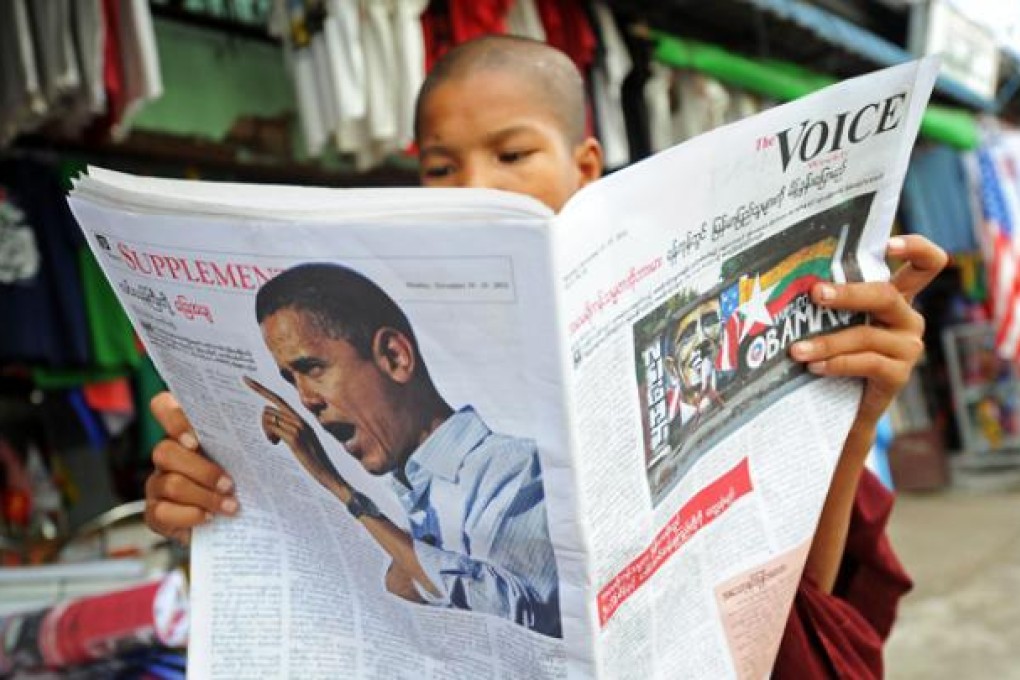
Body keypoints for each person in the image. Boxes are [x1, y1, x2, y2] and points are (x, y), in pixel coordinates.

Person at [144, 35, 948, 676]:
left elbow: (796, 617)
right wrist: (225, 514)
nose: (474, 189)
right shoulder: (416, 475)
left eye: (512, 154)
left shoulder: (522, 448)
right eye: (439, 166)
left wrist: (854, 419)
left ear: (586, 166)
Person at [241, 261, 561, 637]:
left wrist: (341, 490)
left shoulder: (517, 469)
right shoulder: (404, 495)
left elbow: (521, 621)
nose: (306, 400)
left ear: (394, 356)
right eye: (290, 380)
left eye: (312, 369)